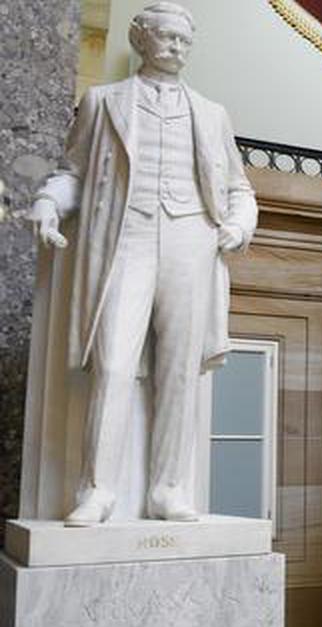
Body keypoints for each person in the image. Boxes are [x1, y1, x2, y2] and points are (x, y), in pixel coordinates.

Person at [23, 2, 257, 525]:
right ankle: (98, 489)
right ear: (141, 39)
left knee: (178, 371)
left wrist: (238, 227)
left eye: (183, 41)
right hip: (124, 238)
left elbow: (241, 188)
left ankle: (168, 489)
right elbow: (74, 174)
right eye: (167, 37)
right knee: (113, 364)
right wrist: (46, 202)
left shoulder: (211, 113)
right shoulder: (104, 102)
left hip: (191, 239)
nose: (176, 48)